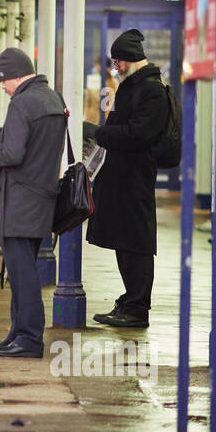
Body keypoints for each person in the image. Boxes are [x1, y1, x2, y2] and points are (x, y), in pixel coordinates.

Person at [0, 48, 67, 357]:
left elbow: (12, 154)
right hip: (41, 198)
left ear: (14, 75)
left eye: (3, 80)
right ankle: (16, 331)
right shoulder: (53, 99)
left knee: (22, 274)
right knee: (21, 269)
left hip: (19, 200)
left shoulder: (22, 104)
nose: (1, 86)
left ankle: (28, 338)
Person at [82, 29, 170, 328]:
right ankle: (131, 301)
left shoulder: (151, 91)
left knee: (136, 243)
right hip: (121, 176)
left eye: (118, 61)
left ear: (131, 60)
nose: (115, 67)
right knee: (126, 241)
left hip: (135, 177)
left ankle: (136, 308)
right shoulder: (132, 87)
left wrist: (98, 132)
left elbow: (137, 134)